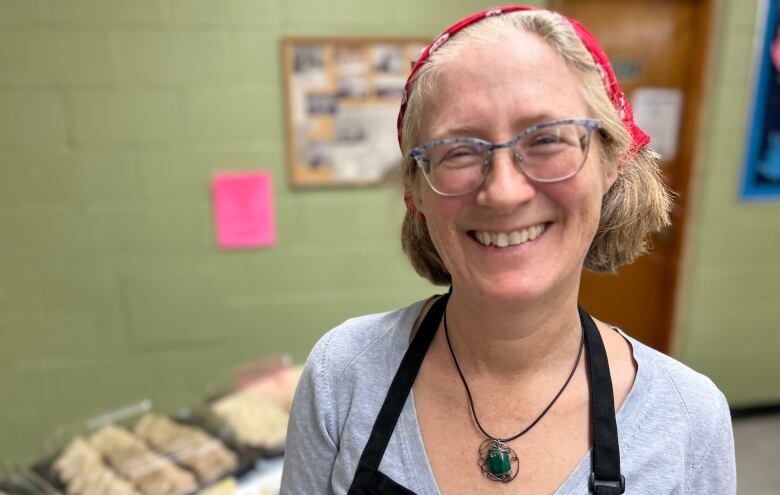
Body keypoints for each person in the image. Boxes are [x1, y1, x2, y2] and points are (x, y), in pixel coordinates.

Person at [280, 6, 736, 494]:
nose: (503, 192)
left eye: (546, 139)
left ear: (611, 163)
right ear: (416, 193)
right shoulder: (342, 374)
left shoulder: (690, 418)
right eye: (458, 149)